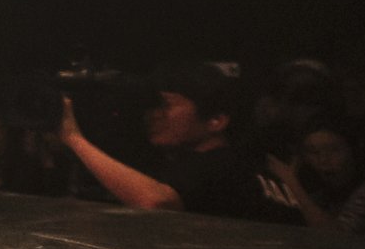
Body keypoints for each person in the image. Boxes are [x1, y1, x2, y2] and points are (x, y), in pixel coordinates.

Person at [56, 69, 299, 223]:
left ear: (216, 120)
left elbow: (155, 202)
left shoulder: (220, 165)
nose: (153, 115)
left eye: (167, 105)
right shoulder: (250, 165)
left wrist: (73, 137)